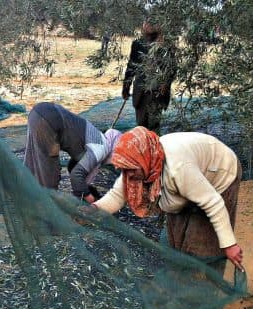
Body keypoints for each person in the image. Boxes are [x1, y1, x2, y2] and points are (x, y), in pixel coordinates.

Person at [93, 126, 244, 273]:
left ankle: (206, 290)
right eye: (124, 169)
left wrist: (229, 245)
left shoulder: (178, 168)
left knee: (203, 247)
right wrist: (94, 209)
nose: (129, 175)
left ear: (144, 160)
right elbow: (117, 196)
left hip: (220, 174)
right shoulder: (135, 163)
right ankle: (184, 284)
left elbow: (213, 203)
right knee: (176, 242)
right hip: (187, 185)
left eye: (132, 169)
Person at [24, 102, 122, 203]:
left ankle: (25, 199)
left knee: (33, 164)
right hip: (48, 121)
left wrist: (82, 190)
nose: (116, 165)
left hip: (39, 112)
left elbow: (73, 167)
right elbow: (76, 175)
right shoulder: (101, 149)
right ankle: (44, 209)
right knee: (50, 174)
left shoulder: (99, 138)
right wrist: (91, 199)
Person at [122, 20, 176, 134]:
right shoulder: (137, 44)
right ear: (143, 25)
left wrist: (165, 84)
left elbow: (172, 69)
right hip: (140, 93)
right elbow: (131, 67)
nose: (149, 26)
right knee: (141, 127)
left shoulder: (166, 46)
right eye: (147, 23)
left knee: (154, 128)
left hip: (157, 94)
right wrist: (126, 87)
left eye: (153, 23)